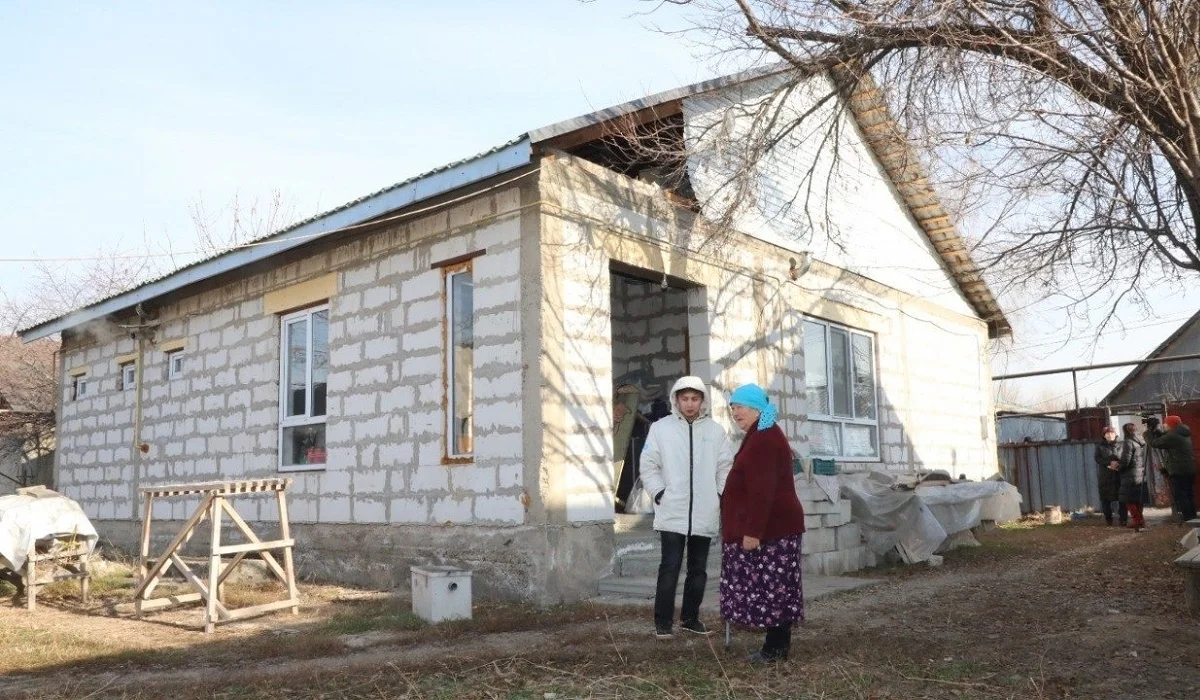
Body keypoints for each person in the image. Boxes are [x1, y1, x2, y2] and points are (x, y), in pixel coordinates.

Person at [638, 376, 734, 639]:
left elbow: (725, 466)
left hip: (704, 511)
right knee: (670, 566)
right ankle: (663, 622)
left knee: (698, 569)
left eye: (694, 399)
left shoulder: (715, 431)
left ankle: (691, 618)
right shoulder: (661, 429)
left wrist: (717, 494)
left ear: (702, 400)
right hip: (672, 510)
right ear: (676, 400)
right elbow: (648, 464)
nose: (689, 404)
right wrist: (659, 493)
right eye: (684, 399)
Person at [719, 383, 806, 664]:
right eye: (732, 407)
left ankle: (775, 649)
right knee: (776, 588)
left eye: (740, 406)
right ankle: (777, 646)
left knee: (774, 589)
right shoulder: (760, 434)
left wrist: (753, 531)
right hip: (775, 528)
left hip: (772, 530)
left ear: (757, 408)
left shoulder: (764, 439)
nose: (734, 412)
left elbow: (762, 491)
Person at [1146, 415, 1197, 522]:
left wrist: (1148, 433)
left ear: (1171, 425)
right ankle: (1192, 517)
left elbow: (1155, 443)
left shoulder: (1173, 436)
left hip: (1179, 470)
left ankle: (1188, 519)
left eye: (1166, 423)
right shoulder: (1182, 433)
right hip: (1188, 469)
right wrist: (1156, 431)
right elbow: (1165, 437)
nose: (1164, 425)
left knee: (1182, 496)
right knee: (1188, 494)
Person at [1093, 426, 1126, 526]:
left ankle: (1123, 519)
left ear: (1115, 434)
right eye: (1107, 434)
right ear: (1104, 436)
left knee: (1122, 498)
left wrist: (1118, 464)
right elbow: (1098, 458)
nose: (1110, 435)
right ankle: (1108, 519)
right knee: (1105, 499)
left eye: (1111, 433)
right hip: (1106, 476)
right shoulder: (1100, 447)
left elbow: (1126, 456)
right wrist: (1109, 463)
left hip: (1119, 475)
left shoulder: (1122, 444)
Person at [1117, 423, 1147, 530]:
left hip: (1130, 475)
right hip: (1140, 474)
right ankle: (1140, 520)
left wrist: (1118, 468)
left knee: (1129, 500)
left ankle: (1138, 521)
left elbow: (1126, 460)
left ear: (1126, 431)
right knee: (1137, 500)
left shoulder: (1128, 442)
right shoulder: (1141, 441)